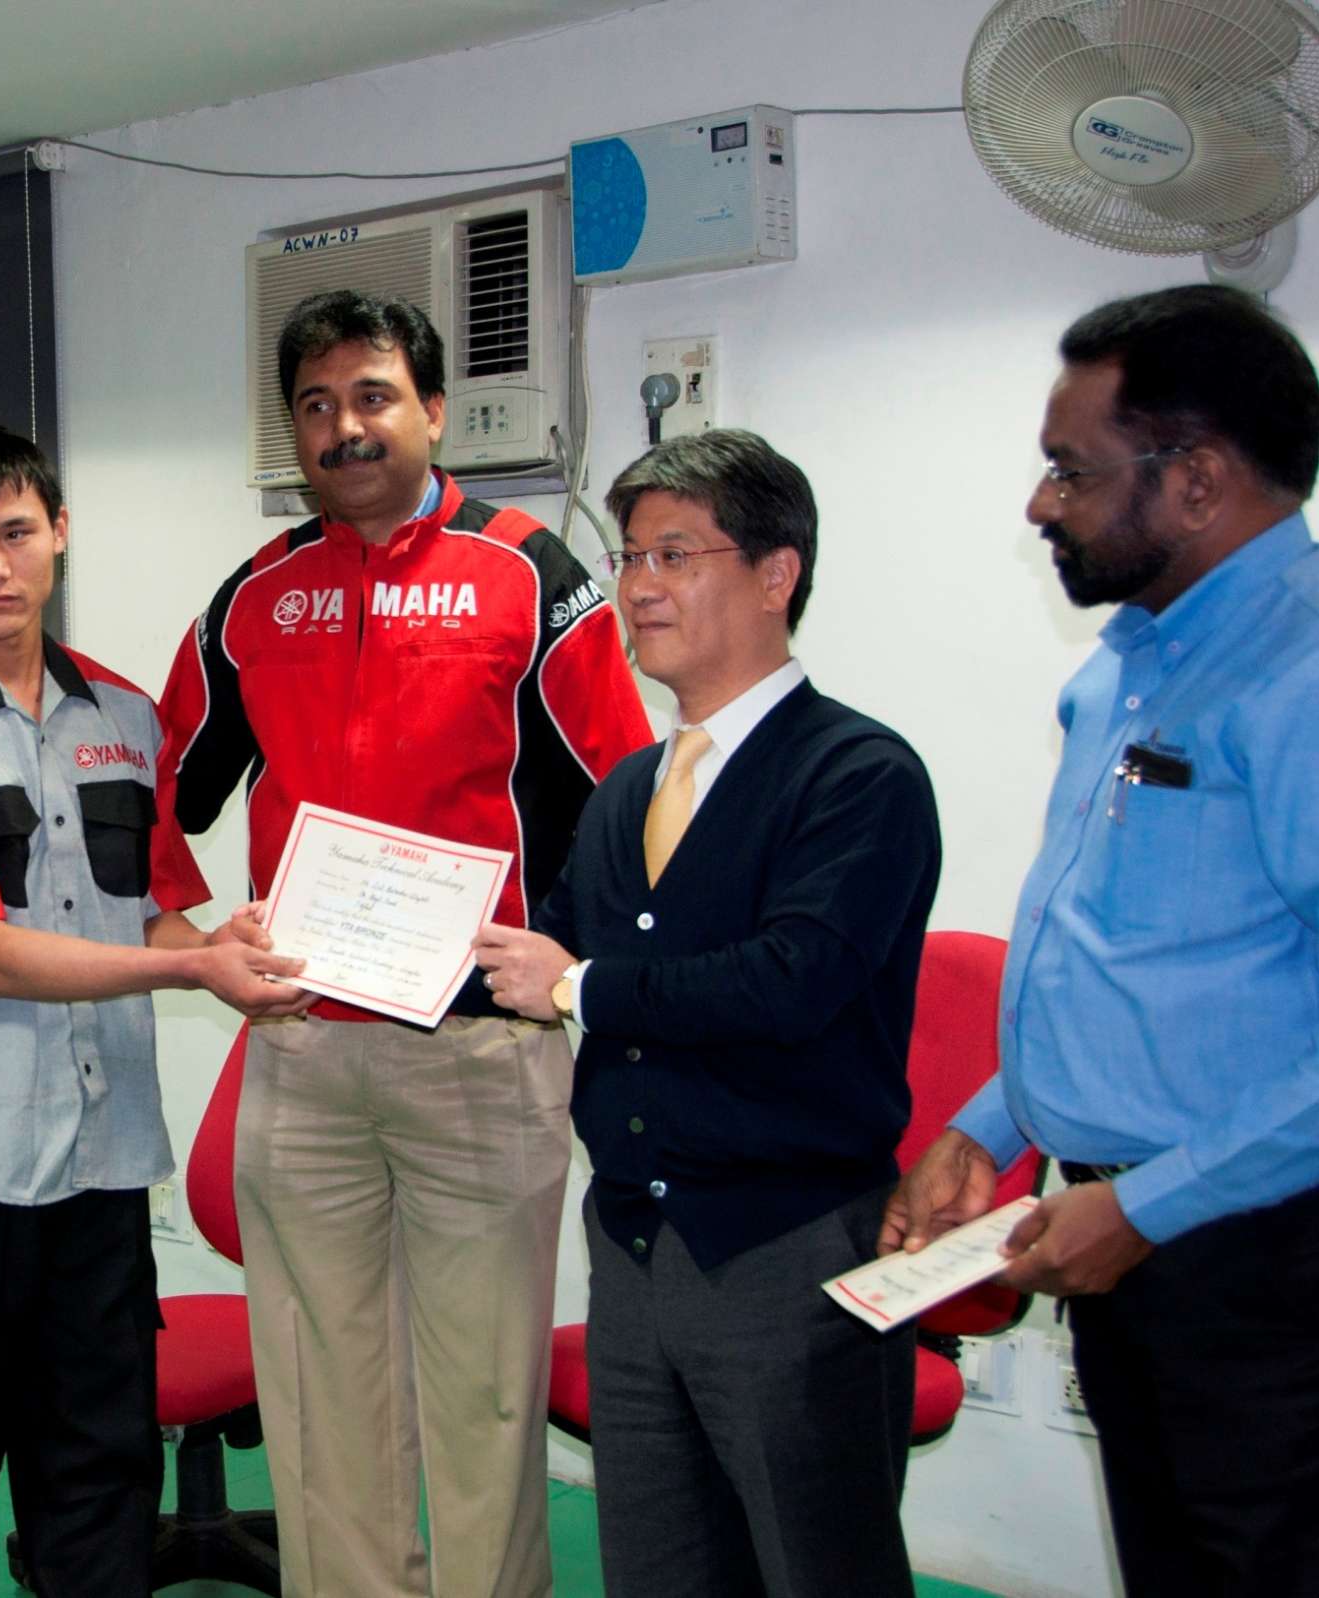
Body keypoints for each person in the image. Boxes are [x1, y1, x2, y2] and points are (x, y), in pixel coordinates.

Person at [158, 289, 651, 1598]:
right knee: (321, 1400)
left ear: (435, 411)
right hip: (305, 1050)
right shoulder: (254, 597)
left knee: (487, 1398)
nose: (345, 426)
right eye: (315, 405)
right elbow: (152, 790)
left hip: (480, 1058)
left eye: (373, 396)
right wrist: (196, 935)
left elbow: (631, 802)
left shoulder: (529, 573)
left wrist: (563, 969)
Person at [881, 284, 1319, 1595]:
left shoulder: (1298, 677)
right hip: (1120, 1228)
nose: (1038, 504)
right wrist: (995, 1123)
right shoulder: (1128, 659)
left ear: (1195, 479)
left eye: (1069, 471)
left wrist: (1144, 1202)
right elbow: (1114, 954)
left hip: (1261, 1255)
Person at [0, 423, 309, 1598]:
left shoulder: (128, 718)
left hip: (99, 1171)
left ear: (58, 534)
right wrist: (192, 973)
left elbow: (149, 912)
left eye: (14, 532)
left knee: (97, 1479)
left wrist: (227, 946)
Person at [474, 428, 941, 1597]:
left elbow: (790, 981)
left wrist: (573, 984)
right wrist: (357, 929)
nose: (637, 587)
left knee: (816, 1564)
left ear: (777, 572)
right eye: (630, 557)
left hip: (788, 1249)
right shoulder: (633, 783)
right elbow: (549, 938)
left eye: (675, 553)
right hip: (634, 1244)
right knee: (661, 1570)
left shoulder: (858, 774)